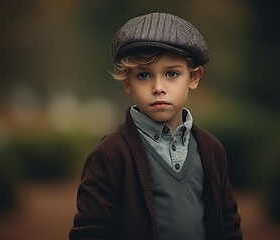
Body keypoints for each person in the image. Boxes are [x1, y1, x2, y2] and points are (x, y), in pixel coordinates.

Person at [69, 12, 242, 240]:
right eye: (143, 75)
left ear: (194, 77)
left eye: (171, 73)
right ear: (127, 82)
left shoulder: (211, 149)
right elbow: (90, 232)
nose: (158, 87)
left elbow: (228, 225)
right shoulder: (111, 154)